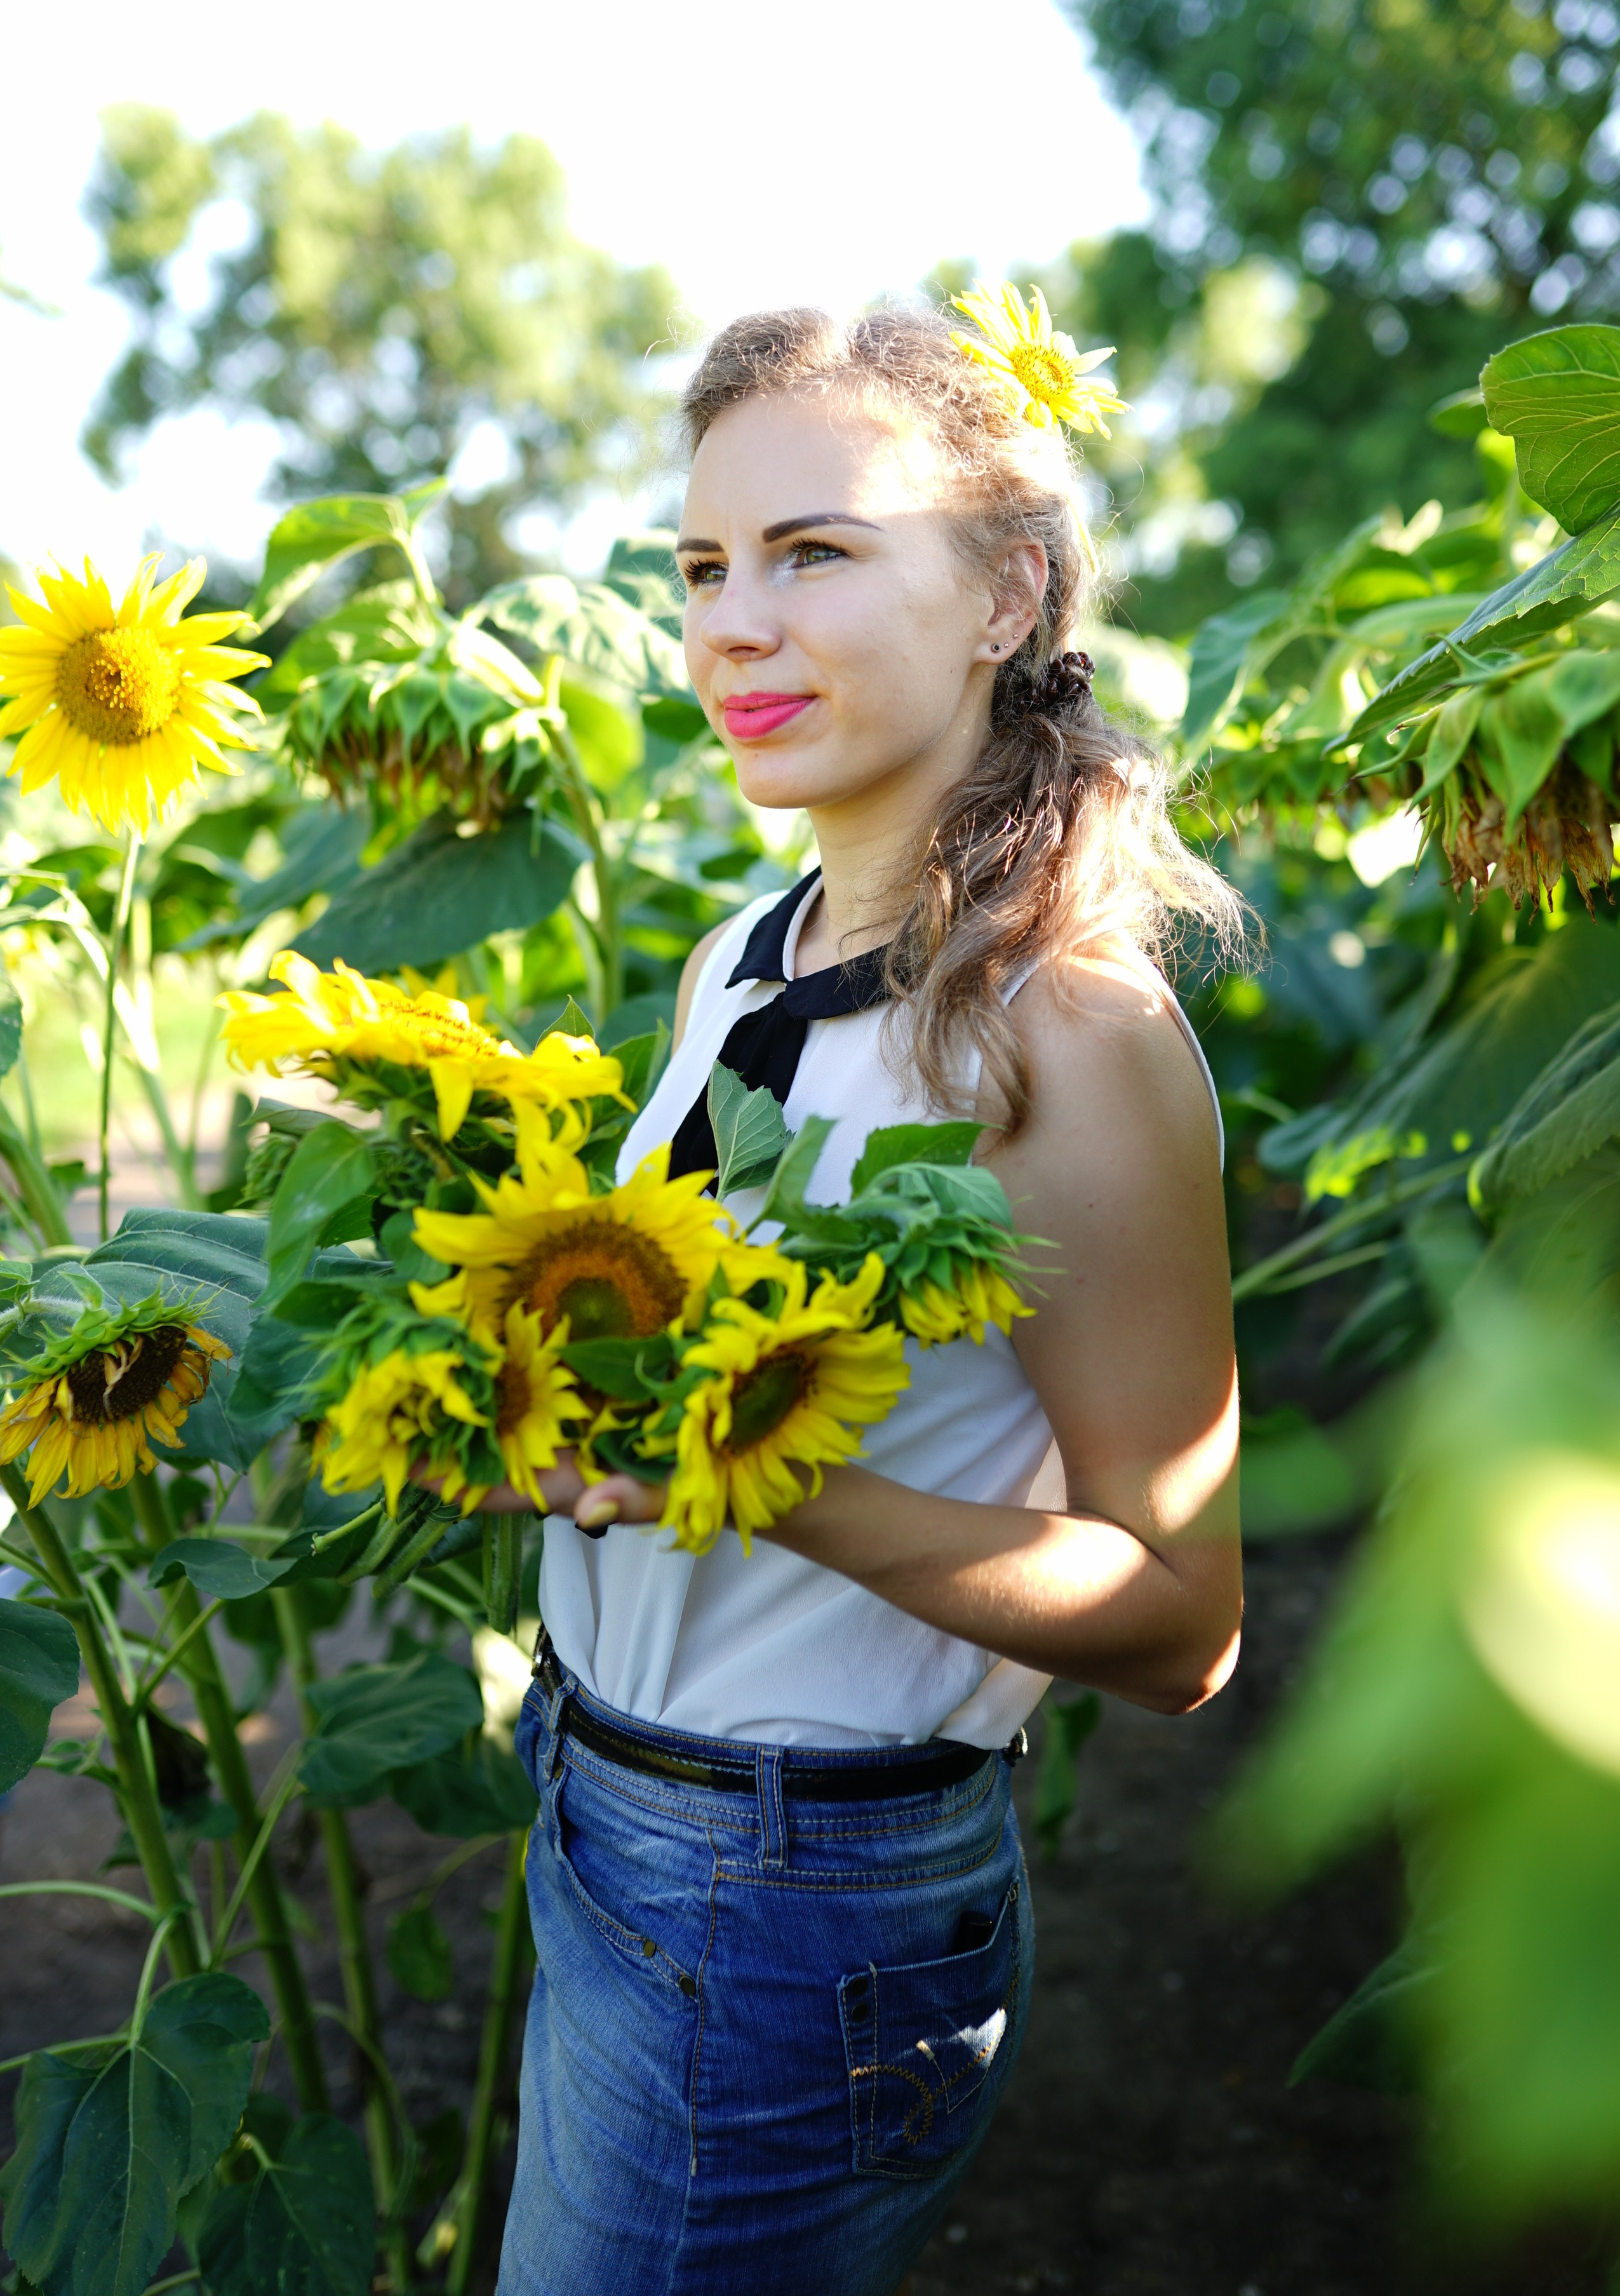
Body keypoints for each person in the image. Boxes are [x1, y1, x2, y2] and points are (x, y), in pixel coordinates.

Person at [482, 298, 1245, 2296]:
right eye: (704, 568)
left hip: (795, 1899)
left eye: (816, 553)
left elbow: (1183, 1622)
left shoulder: (1064, 1032)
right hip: (605, 1803)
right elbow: (699, 1350)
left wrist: (768, 1478)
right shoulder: (744, 950)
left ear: (1007, 592)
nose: (734, 624)